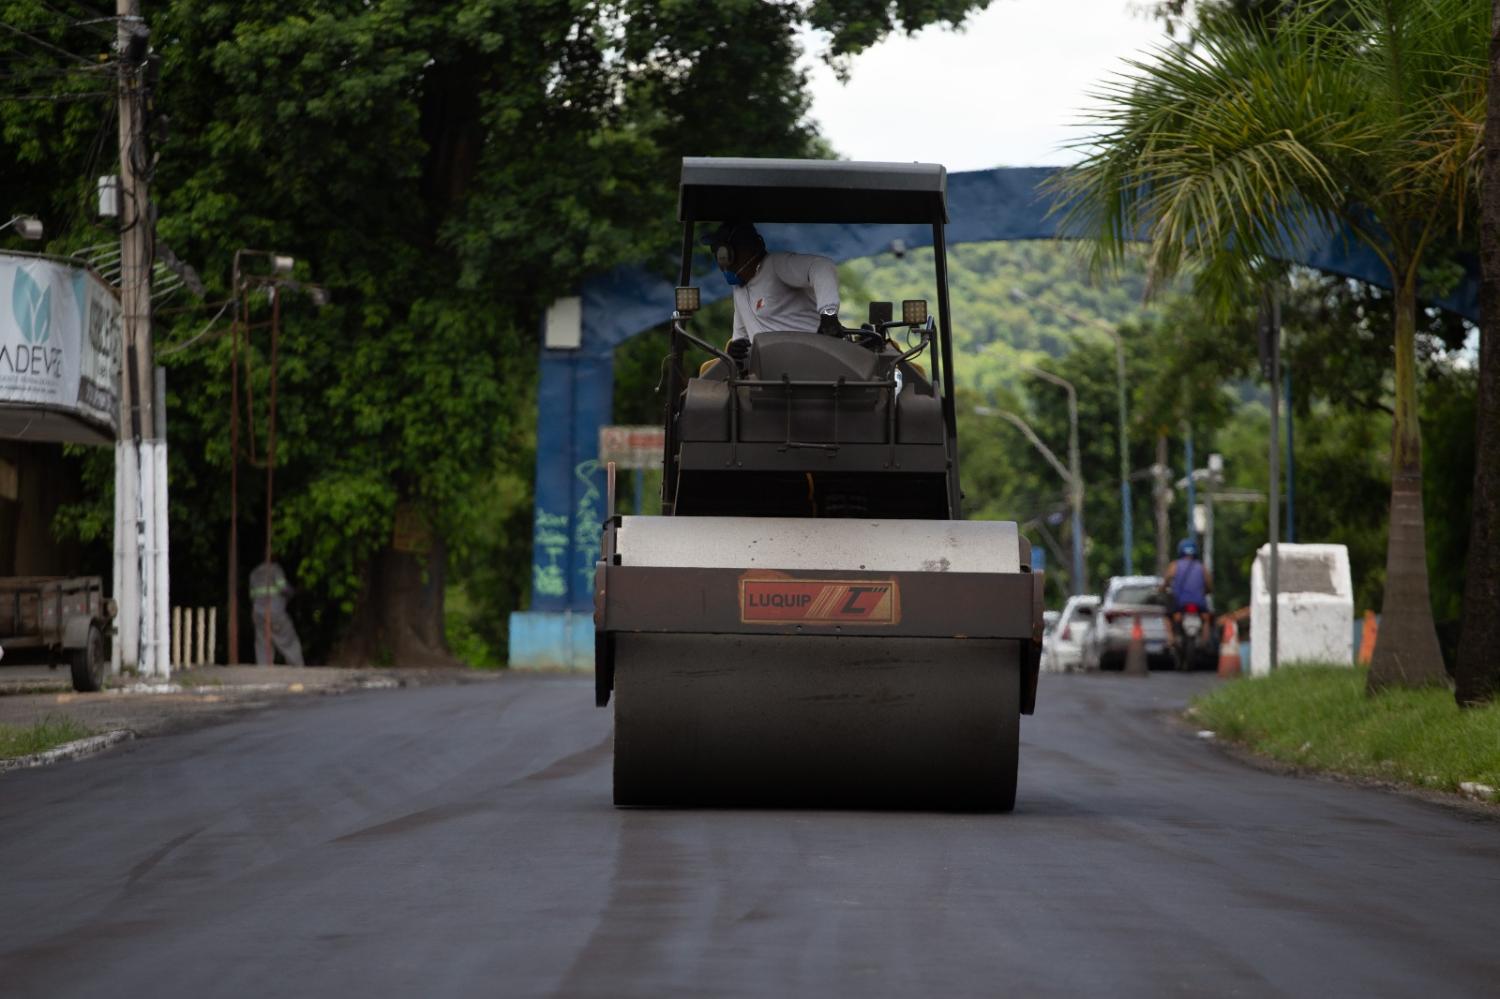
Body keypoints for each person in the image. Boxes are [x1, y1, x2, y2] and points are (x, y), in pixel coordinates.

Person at [702, 222, 841, 368]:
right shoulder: (739, 290)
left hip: (813, 365)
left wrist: (828, 314)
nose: (720, 262)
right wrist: (734, 352)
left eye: (719, 253)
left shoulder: (776, 265)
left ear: (730, 253)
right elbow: (741, 339)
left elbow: (821, 267)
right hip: (771, 376)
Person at [249, 559, 305, 666]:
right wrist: (293, 592)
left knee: (262, 642)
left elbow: (252, 596)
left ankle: (263, 669)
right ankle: (298, 667)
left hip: (258, 613)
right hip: (274, 612)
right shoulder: (275, 569)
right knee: (288, 640)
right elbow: (283, 587)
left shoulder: (254, 573)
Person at [1162, 538, 1213, 613]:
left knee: (1168, 616)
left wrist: (1163, 589)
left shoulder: (1174, 565)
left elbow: (1166, 582)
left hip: (1179, 604)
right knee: (1207, 620)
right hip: (1199, 604)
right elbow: (1209, 586)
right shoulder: (1202, 567)